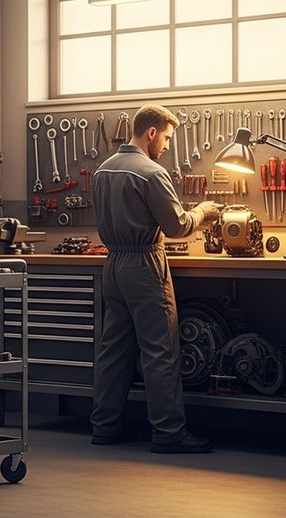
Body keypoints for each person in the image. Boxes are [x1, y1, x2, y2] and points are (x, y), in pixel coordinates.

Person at [90, 104, 222, 454]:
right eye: (165, 137)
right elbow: (177, 226)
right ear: (151, 132)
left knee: (113, 350)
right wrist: (204, 212)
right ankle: (169, 432)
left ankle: (104, 426)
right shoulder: (150, 172)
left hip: (113, 264)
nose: (165, 145)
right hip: (144, 265)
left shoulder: (103, 170)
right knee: (160, 349)